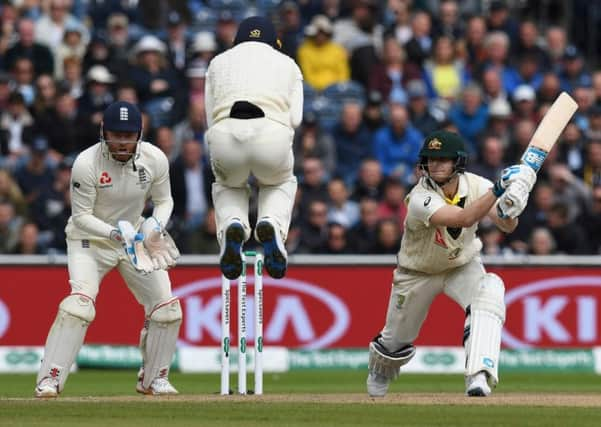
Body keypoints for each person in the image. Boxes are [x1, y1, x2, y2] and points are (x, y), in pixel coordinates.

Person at [366, 130, 536, 397]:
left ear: (458, 162)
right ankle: (381, 368)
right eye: (431, 159)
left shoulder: (477, 184)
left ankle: (478, 374)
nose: (436, 165)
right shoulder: (419, 198)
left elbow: (506, 225)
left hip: (461, 265)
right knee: (395, 340)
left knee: (490, 291)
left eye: (443, 159)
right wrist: (499, 190)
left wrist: (512, 206)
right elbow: (464, 218)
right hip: (417, 272)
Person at [35, 101, 182, 397]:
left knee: (167, 308)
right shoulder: (86, 164)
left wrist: (154, 227)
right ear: (104, 132)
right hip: (91, 239)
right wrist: (116, 233)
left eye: (128, 136)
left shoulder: (155, 158)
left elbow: (165, 201)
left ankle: (153, 378)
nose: (122, 142)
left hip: (135, 238)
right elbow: (81, 217)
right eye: (116, 135)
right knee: (79, 305)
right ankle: (50, 378)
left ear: (139, 134)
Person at [204, 16, 303, 280]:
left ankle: (232, 224)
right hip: (272, 136)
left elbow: (210, 117)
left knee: (229, 185)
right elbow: (296, 118)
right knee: (280, 182)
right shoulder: (289, 64)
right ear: (274, 42)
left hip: (226, 134)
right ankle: (271, 222)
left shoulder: (217, 63)